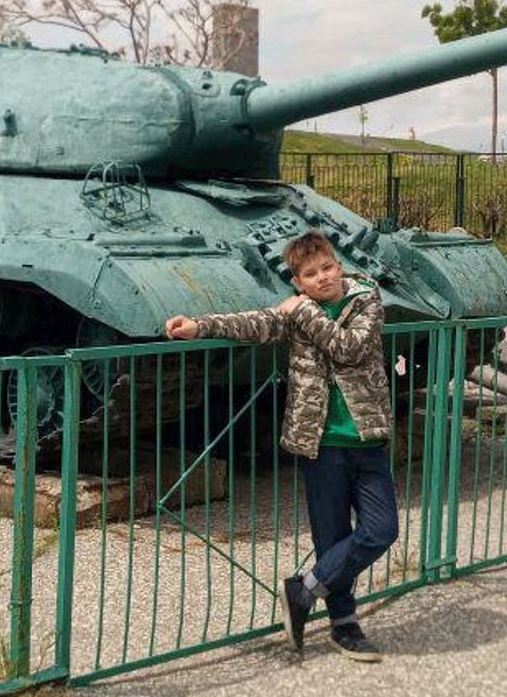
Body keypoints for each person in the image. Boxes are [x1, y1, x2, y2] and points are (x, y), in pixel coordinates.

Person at [164, 231, 396, 661]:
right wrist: (199, 325)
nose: (323, 277)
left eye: (328, 267)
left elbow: (350, 348)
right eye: (310, 274)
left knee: (382, 530)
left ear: (339, 266)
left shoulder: (365, 301)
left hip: (366, 438)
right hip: (319, 443)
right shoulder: (295, 310)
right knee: (332, 538)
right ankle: (344, 624)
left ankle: (302, 590)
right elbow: (255, 322)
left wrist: (304, 311)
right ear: (298, 281)